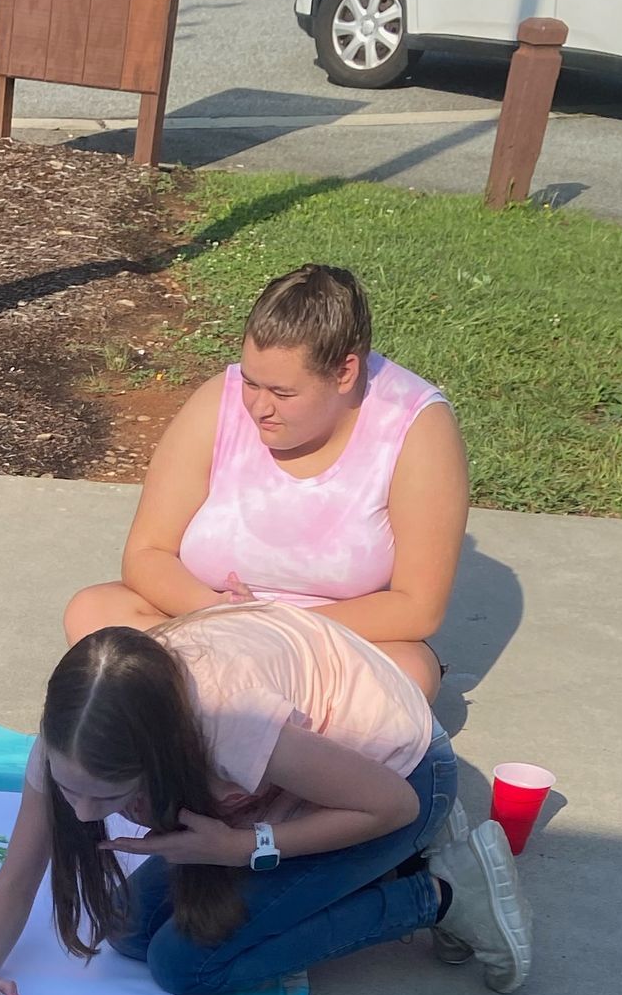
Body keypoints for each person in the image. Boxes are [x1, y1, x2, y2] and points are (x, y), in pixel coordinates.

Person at [0, 602, 531, 995]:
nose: (83, 814)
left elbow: (392, 805)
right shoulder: (75, 735)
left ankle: (435, 892)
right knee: (128, 932)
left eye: (108, 797)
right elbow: (18, 874)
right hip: (305, 786)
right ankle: (388, 866)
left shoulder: (227, 724)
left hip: (404, 780)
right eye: (68, 788)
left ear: (160, 755)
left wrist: (239, 847)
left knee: (185, 966)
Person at [65, 266, 467, 702]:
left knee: (406, 674)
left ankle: (200, 710)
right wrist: (215, 611)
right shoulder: (216, 401)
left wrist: (277, 626)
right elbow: (147, 553)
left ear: (345, 372)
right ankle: (250, 717)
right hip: (212, 623)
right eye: (250, 382)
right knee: (94, 612)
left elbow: (417, 607)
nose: (259, 407)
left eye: (283, 393)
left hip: (330, 640)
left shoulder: (416, 426)